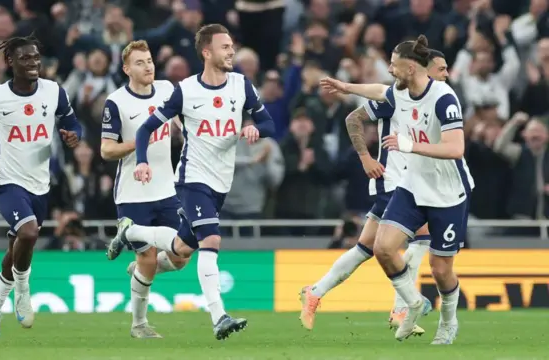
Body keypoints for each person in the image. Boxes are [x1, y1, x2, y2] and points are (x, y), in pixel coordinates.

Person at [112, 24, 275, 340]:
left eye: (231, 46)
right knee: (210, 241)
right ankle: (219, 316)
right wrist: (142, 160)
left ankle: (130, 231)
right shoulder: (185, 91)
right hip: (191, 179)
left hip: (221, 183)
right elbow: (145, 130)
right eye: (225, 47)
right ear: (207, 52)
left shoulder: (242, 86)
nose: (231, 52)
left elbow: (268, 121)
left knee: (182, 248)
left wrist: (257, 129)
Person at [323, 35, 472, 343]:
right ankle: (413, 302)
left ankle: (449, 321)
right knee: (382, 248)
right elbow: (378, 91)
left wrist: (410, 144)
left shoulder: (443, 97)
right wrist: (347, 87)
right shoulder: (398, 93)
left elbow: (456, 148)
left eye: (394, 65)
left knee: (441, 269)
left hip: (447, 191)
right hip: (412, 186)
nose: (389, 70)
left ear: (411, 68)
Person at [299, 49, 450, 334]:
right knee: (422, 237)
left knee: (365, 247)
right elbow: (354, 118)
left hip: (412, 181)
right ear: (422, 71)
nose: (446, 74)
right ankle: (403, 307)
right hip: (394, 180)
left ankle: (315, 292)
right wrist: (366, 158)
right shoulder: (398, 97)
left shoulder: (436, 101)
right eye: (441, 69)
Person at [0, 35, 82, 342]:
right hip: (7, 180)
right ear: (10, 62)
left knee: (17, 245)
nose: (33, 63)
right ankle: (23, 292)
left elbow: (73, 122)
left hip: (40, 183)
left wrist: (73, 135)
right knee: (29, 233)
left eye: (36, 57)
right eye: (26, 58)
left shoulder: (54, 91)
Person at [101, 40, 189, 338]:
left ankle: (133, 251)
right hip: (134, 192)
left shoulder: (167, 90)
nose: (148, 66)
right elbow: (106, 150)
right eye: (140, 62)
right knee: (148, 259)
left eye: (149, 60)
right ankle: (139, 325)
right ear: (127, 69)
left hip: (167, 189)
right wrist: (139, 142)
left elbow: (184, 122)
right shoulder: (116, 102)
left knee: (181, 256)